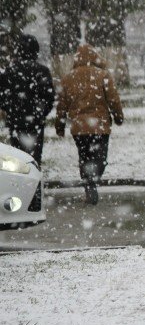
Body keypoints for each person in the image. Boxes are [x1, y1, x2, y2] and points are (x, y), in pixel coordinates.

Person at [55, 44, 124, 205]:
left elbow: (62, 106)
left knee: (84, 157)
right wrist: (118, 116)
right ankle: (93, 180)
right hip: (100, 127)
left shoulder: (68, 78)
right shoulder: (103, 76)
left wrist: (59, 125)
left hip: (79, 128)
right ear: (95, 57)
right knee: (101, 158)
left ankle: (89, 183)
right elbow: (113, 100)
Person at [0, 33, 55, 165]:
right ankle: (34, 184)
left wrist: (11, 110)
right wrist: (41, 113)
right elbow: (49, 98)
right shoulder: (42, 71)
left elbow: (2, 97)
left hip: (16, 121)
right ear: (36, 51)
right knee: (34, 159)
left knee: (18, 160)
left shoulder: (9, 72)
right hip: (35, 121)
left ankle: (21, 183)